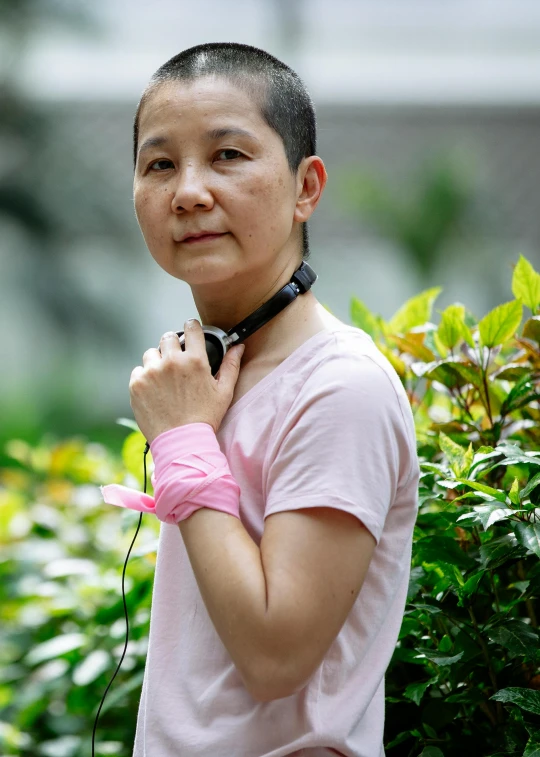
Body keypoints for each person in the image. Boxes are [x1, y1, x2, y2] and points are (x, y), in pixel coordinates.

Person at [105, 42, 419, 757]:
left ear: (306, 186)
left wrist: (183, 444)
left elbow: (275, 656)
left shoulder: (342, 387)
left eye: (228, 156)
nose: (188, 191)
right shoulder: (208, 380)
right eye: (160, 164)